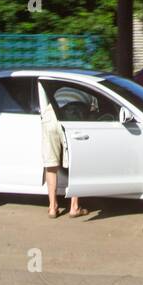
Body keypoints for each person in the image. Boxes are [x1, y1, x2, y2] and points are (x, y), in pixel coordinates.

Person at [40, 84, 87, 218]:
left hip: (50, 115)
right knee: (76, 161)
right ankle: (74, 207)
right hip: (69, 116)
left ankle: (52, 207)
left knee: (51, 163)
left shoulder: (61, 89)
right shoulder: (89, 89)